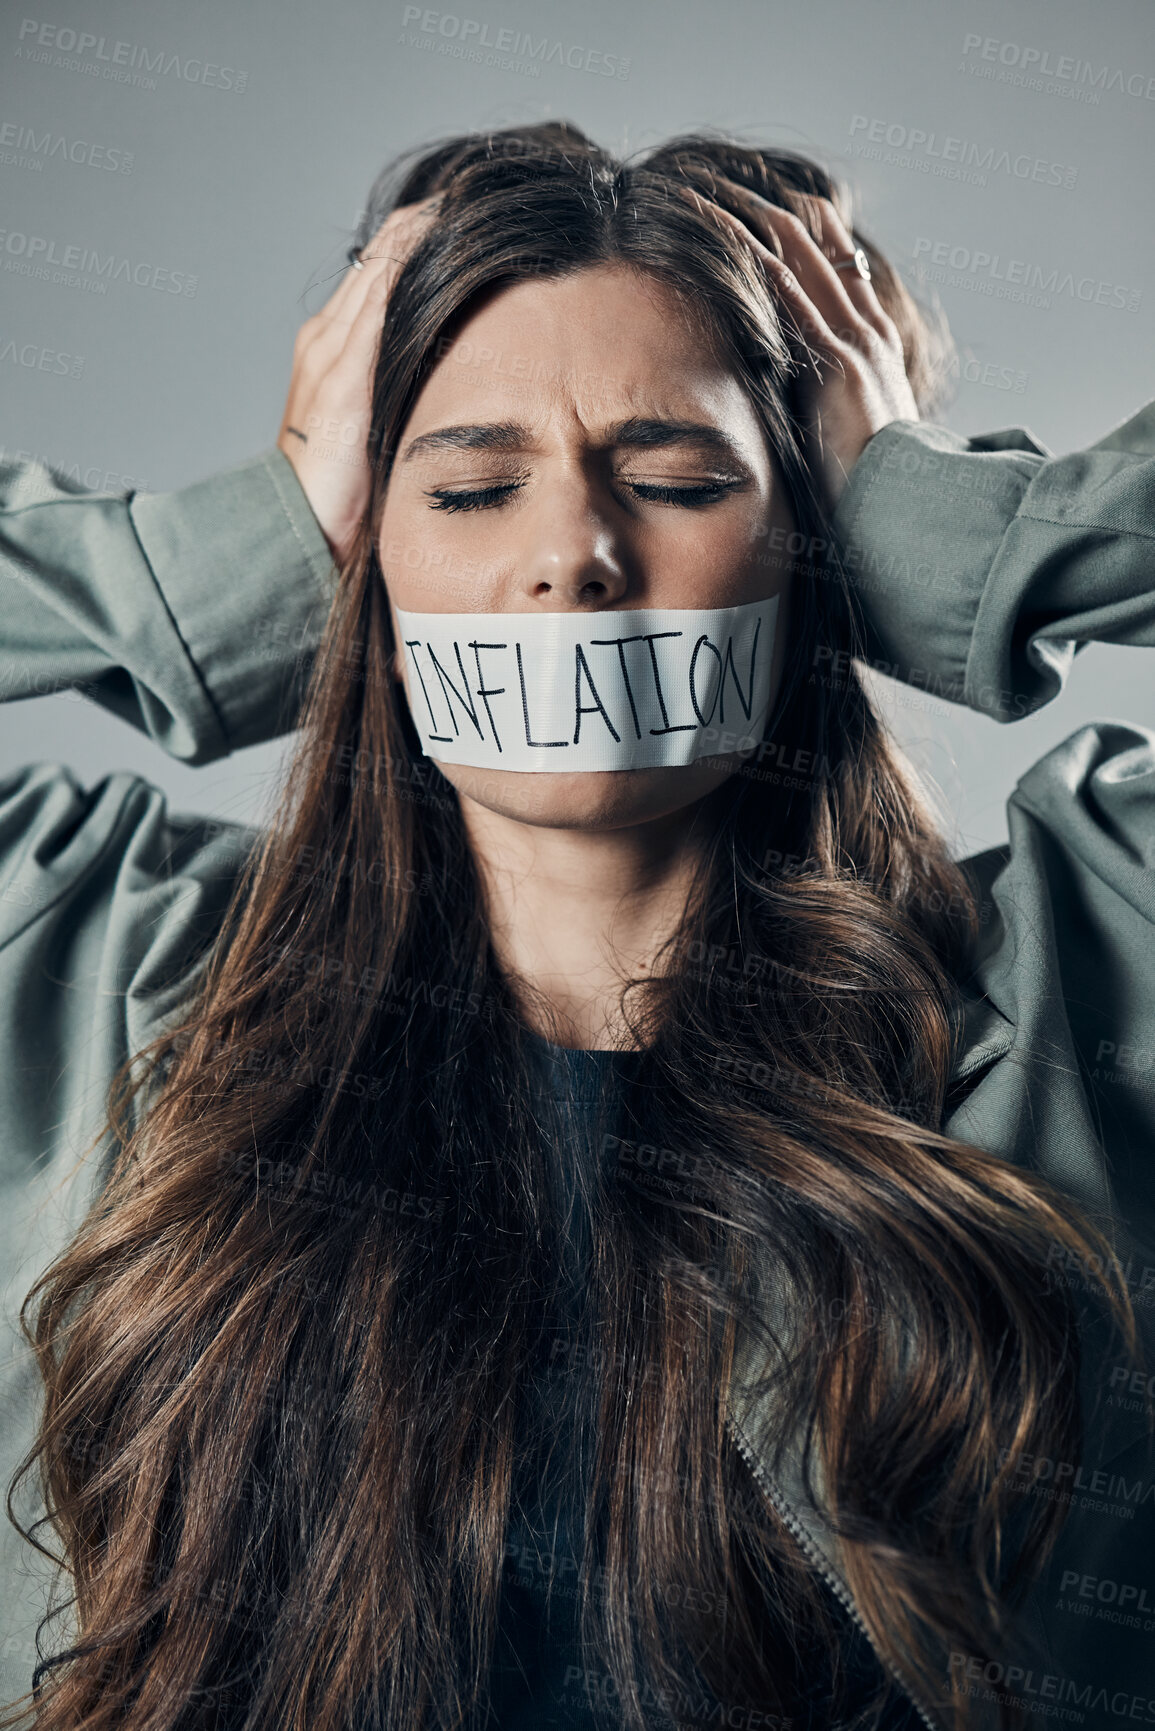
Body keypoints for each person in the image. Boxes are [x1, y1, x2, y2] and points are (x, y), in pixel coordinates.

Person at [0, 120, 1152, 1731]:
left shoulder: (1099, 963)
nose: (574, 559)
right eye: (470, 487)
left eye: (679, 480)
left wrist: (960, 540)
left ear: (816, 547)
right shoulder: (87, 967)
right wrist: (229, 563)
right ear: (368, 554)